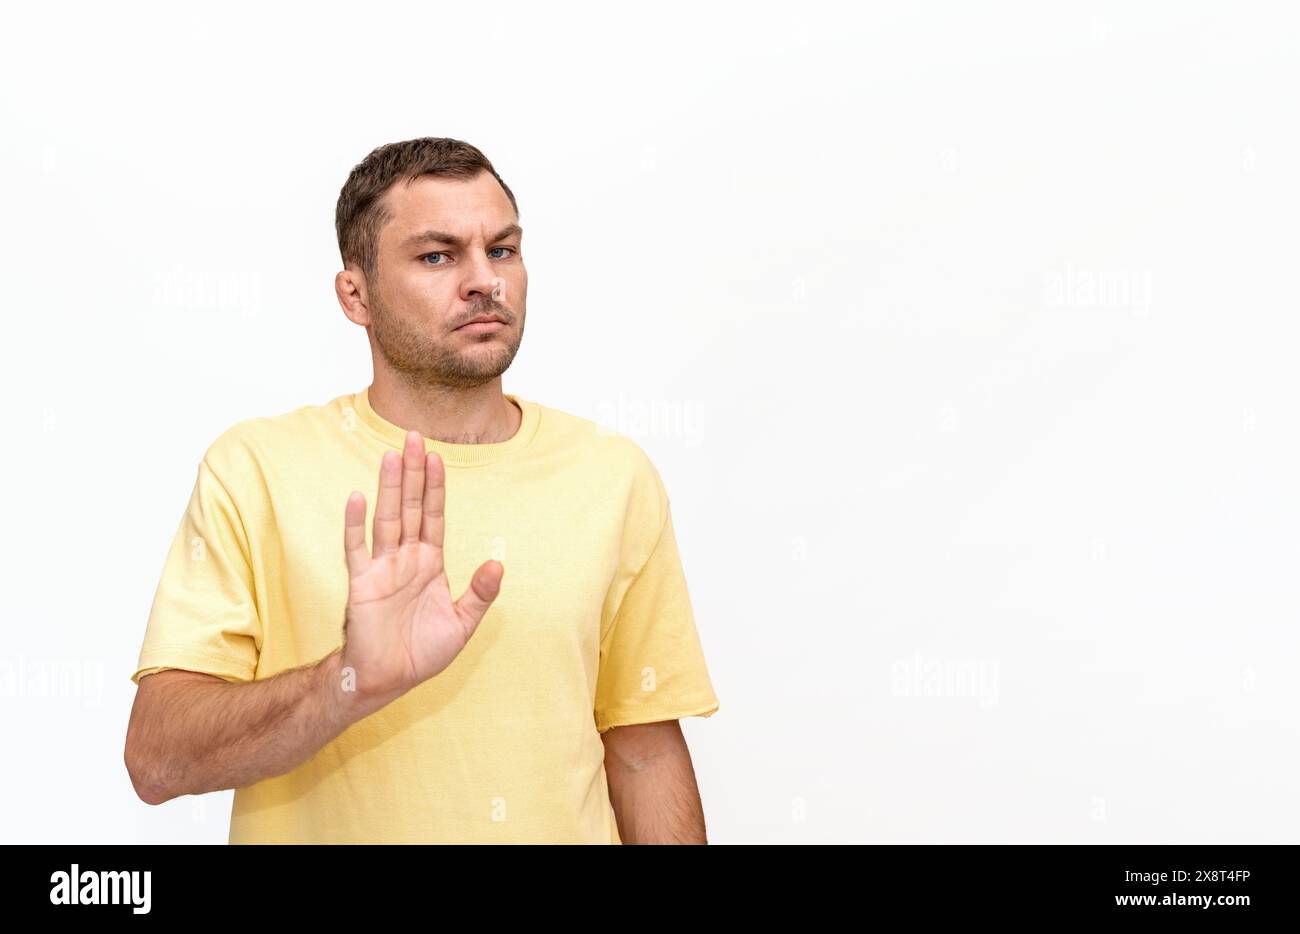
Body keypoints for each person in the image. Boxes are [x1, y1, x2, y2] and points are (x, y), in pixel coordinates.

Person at [123, 137, 721, 844]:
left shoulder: (612, 474)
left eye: (501, 250)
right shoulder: (255, 468)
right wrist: (348, 682)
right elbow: (156, 760)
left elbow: (644, 750)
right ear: (357, 295)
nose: (483, 281)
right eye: (437, 256)